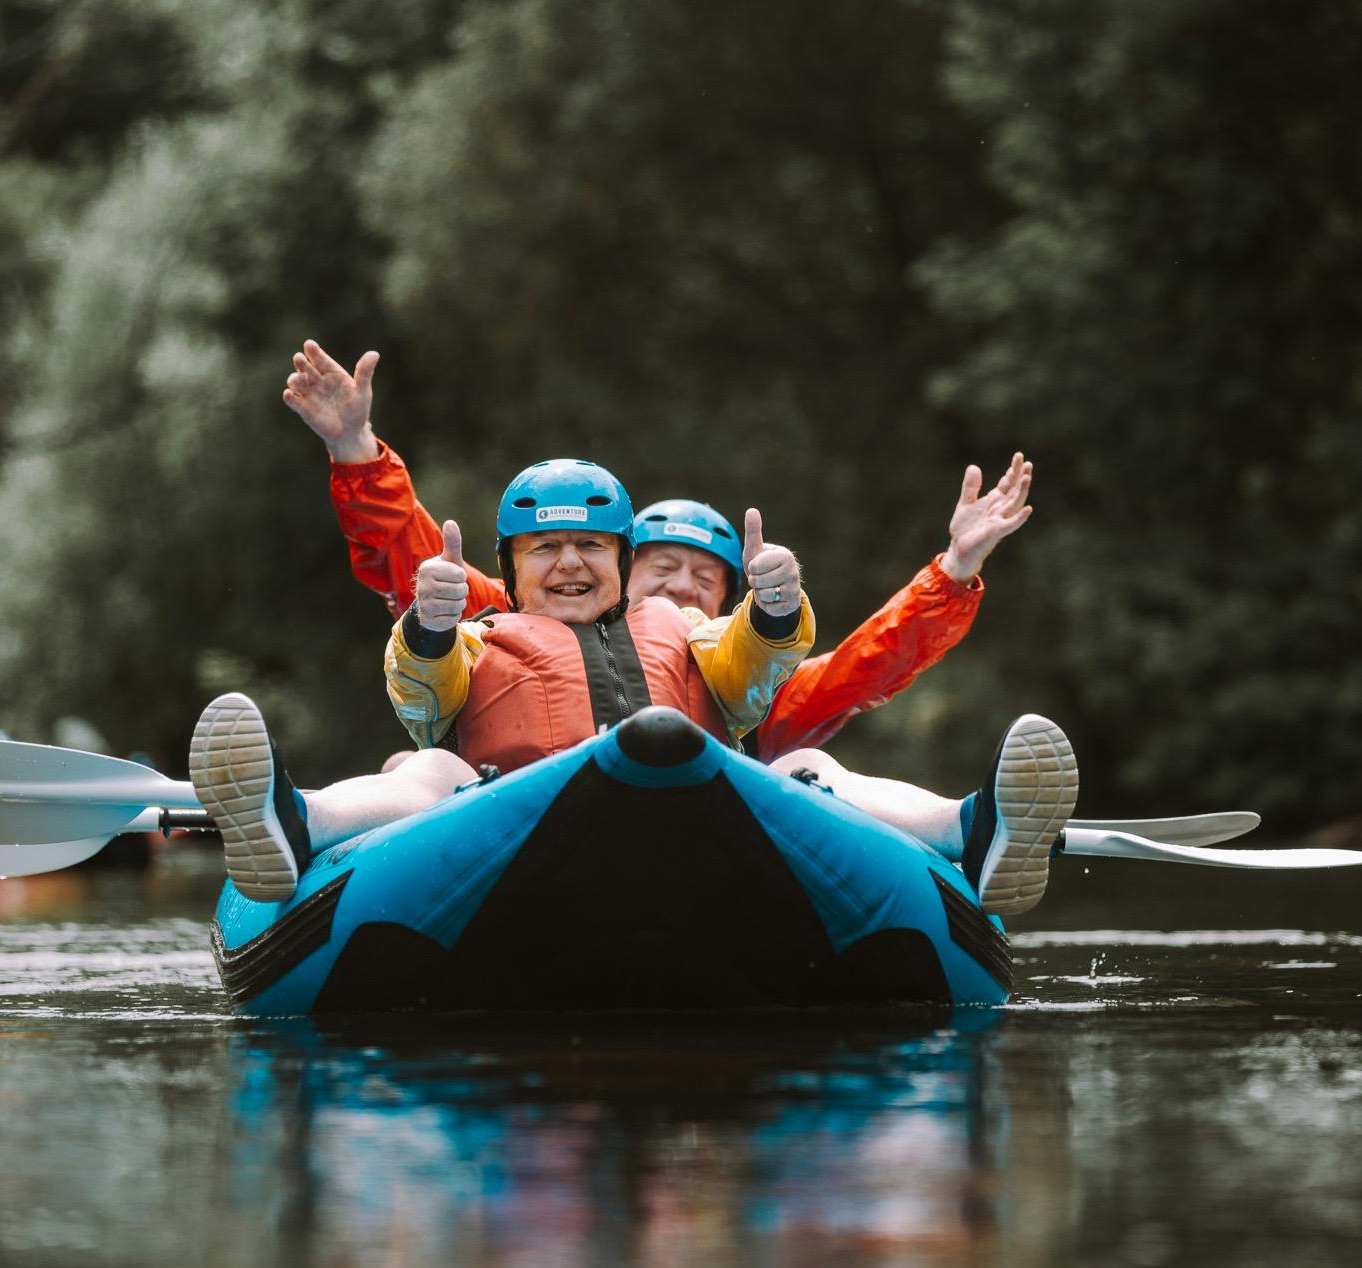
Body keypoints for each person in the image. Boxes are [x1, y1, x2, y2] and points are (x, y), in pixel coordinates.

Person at [280, 341, 1033, 760]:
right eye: (664, 569)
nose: (681, 589)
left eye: (706, 579)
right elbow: (410, 564)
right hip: (515, 809)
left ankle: (972, 834)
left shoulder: (727, 662)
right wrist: (355, 450)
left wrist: (953, 571)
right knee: (412, 768)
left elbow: (858, 666)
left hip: (711, 810)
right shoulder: (504, 619)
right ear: (627, 576)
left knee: (810, 767)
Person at [192, 458, 815, 903]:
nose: (570, 562)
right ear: (510, 572)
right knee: (433, 769)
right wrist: (429, 625)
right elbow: (420, 692)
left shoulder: (687, 631)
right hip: (516, 841)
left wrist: (774, 611)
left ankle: (916, 842)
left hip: (694, 828)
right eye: (544, 547)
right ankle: (294, 819)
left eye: (591, 545)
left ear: (623, 563)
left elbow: (753, 666)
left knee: (807, 762)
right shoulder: (478, 638)